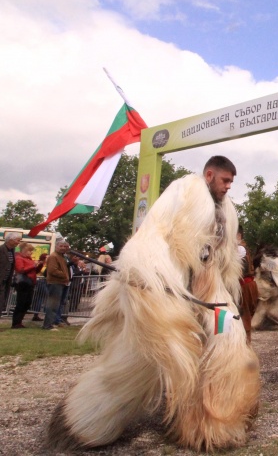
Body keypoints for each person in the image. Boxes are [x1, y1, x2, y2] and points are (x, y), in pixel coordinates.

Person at [46, 155, 260, 452]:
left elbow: (216, 262)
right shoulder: (187, 192)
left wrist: (213, 293)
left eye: (231, 183)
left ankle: (214, 423)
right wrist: (175, 284)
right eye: (225, 180)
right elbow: (177, 243)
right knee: (148, 354)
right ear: (210, 174)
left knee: (228, 342)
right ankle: (84, 424)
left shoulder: (225, 210)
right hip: (162, 281)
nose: (228, 187)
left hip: (205, 291)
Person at [11, 242, 45, 328]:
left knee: (27, 303)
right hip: (23, 283)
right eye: (30, 251)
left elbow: (35, 271)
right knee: (21, 303)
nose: (31, 253)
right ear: (24, 250)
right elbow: (20, 270)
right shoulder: (19, 258)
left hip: (30, 282)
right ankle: (16, 322)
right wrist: (33, 265)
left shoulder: (29, 259)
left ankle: (19, 321)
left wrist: (39, 265)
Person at [43, 241, 70, 331]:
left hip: (60, 283)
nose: (63, 248)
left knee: (56, 304)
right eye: (61, 246)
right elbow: (52, 270)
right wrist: (65, 276)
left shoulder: (62, 257)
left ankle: (51, 323)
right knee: (53, 305)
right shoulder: (54, 256)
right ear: (56, 246)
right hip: (55, 282)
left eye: (65, 246)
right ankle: (48, 325)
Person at [0, 232, 22, 316]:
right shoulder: (1, 249)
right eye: (17, 240)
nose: (18, 242)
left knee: (2, 302)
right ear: (10, 240)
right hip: (1, 280)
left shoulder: (12, 250)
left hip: (6, 281)